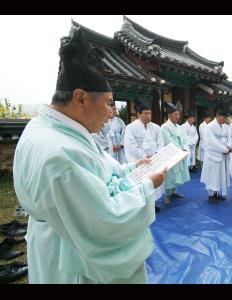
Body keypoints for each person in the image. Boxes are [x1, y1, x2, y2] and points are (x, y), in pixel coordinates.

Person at [12, 28, 167, 284]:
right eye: (107, 103)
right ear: (81, 98)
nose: (110, 113)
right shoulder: (58, 154)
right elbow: (105, 220)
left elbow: (102, 171)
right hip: (71, 253)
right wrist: (148, 184)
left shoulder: (56, 130)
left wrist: (133, 169)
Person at [124, 97, 165, 213]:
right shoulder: (130, 128)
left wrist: (157, 155)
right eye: (145, 113)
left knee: (152, 182)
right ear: (139, 114)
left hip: (154, 160)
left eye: (149, 113)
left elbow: (160, 142)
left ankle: (152, 203)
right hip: (139, 161)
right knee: (141, 184)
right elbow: (132, 146)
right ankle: (142, 206)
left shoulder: (156, 127)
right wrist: (144, 156)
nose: (148, 116)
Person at [200, 103, 232, 203]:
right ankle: (211, 195)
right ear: (218, 116)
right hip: (214, 156)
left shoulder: (226, 127)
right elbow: (211, 143)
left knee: (221, 175)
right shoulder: (209, 127)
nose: (225, 120)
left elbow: (230, 138)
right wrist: (224, 149)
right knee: (213, 175)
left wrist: (230, 147)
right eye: (224, 117)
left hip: (223, 155)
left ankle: (218, 193)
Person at [161, 101, 190, 204]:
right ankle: (167, 194)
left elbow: (184, 140)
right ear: (169, 115)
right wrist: (179, 151)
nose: (178, 116)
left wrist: (185, 149)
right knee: (170, 175)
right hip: (171, 154)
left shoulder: (179, 127)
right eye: (175, 114)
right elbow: (169, 142)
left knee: (177, 174)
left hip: (180, 153)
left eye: (178, 114)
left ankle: (174, 192)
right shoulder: (164, 127)